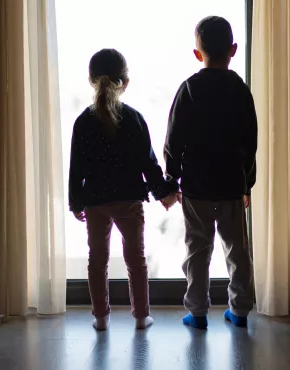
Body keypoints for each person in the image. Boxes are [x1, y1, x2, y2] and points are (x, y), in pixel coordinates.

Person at [68, 49, 178, 331]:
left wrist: (75, 202)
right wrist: (165, 192)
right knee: (135, 260)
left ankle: (101, 318)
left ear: (92, 80)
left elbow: (76, 168)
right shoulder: (133, 119)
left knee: (98, 260)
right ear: (125, 81)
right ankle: (141, 316)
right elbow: (149, 163)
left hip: (95, 201)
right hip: (129, 200)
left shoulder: (83, 122)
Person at [164, 16, 258, 329]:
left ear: (197, 53)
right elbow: (250, 140)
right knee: (236, 250)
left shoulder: (189, 88)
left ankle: (198, 311)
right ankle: (240, 310)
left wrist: (172, 178)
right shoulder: (240, 90)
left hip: (196, 186)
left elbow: (174, 139)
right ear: (233, 49)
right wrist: (248, 184)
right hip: (231, 183)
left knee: (197, 250)